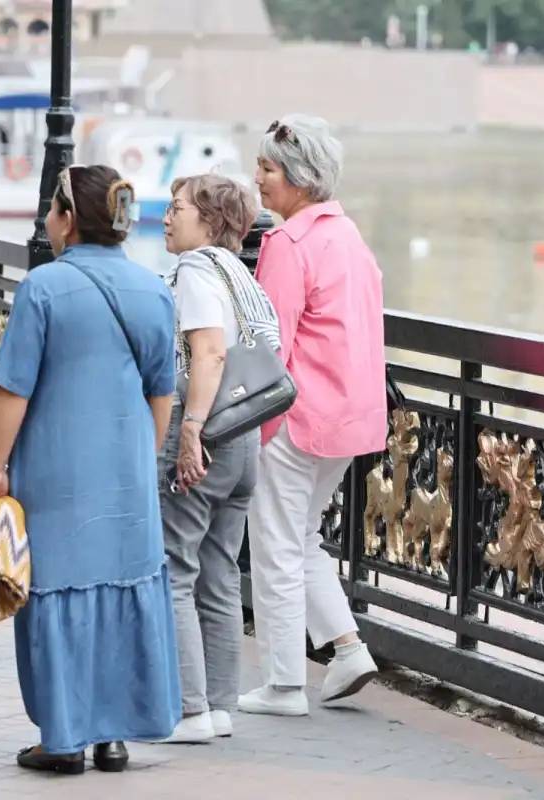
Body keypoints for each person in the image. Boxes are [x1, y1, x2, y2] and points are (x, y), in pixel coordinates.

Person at [0, 164, 181, 775]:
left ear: (69, 220)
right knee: (121, 587)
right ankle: (111, 735)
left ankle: (62, 739)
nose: (46, 218)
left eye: (51, 207)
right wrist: (141, 457)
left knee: (58, 591)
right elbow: (162, 391)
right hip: (125, 469)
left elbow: (13, 387)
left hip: (57, 465)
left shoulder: (45, 288)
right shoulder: (154, 289)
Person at [240, 114, 384, 716]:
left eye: (268, 169)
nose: (258, 180)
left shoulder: (289, 243)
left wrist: (249, 421)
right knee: (301, 538)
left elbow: (269, 346)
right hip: (350, 420)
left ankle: (283, 683)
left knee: (274, 542)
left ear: (299, 179)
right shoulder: (351, 239)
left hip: (295, 419)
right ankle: (347, 649)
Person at [156, 174, 280, 743]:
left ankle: (189, 709)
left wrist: (192, 433)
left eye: (176, 207)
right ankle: (221, 705)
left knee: (175, 566)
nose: (165, 215)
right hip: (246, 436)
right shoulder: (242, 275)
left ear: (207, 220)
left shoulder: (197, 271)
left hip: (208, 429)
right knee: (220, 570)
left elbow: (206, 353)